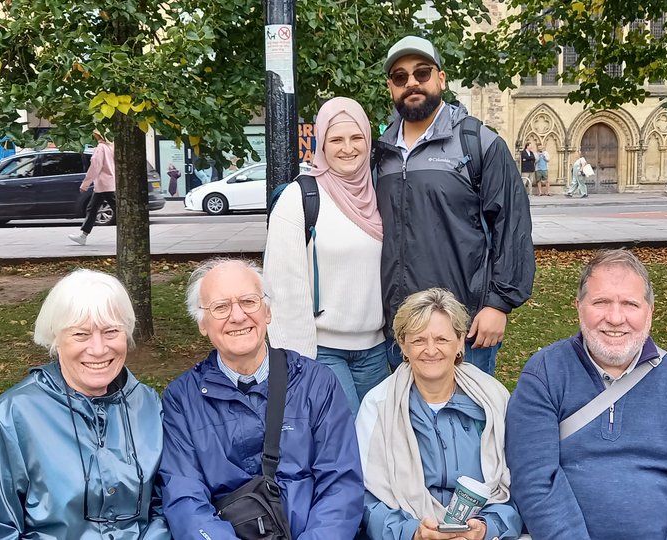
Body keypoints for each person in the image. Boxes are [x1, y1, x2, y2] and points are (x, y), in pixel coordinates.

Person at [505, 249, 667, 540]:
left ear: (649, 312)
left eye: (630, 304)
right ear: (579, 307)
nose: (615, 318)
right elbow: (535, 480)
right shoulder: (544, 374)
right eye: (601, 302)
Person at [0, 269, 169, 539]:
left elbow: (164, 504)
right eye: (81, 334)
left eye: (111, 331)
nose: (99, 348)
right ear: (56, 339)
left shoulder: (148, 404)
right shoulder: (9, 418)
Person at [159, 258, 364, 539]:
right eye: (220, 307)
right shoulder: (182, 400)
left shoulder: (317, 383)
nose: (238, 316)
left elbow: (340, 486)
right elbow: (185, 501)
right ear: (202, 324)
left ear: (267, 311)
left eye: (248, 301)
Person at [374, 35, 535, 377]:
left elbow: (512, 226)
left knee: (465, 412)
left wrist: (498, 304)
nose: (412, 83)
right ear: (390, 87)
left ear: (441, 78)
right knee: (405, 412)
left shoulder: (479, 143)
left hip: (464, 326)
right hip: (400, 328)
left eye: (422, 72)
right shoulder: (381, 153)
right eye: (400, 77)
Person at [356, 288, 523, 540]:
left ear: (460, 341)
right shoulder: (378, 405)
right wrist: (412, 533)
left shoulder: (493, 399)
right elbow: (366, 496)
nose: (431, 350)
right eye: (419, 340)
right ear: (403, 345)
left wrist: (487, 528)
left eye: (442, 339)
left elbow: (519, 483)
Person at [265, 96, 390, 414]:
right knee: (344, 434)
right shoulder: (300, 198)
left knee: (378, 436)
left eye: (356, 137)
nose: (348, 148)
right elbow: (282, 287)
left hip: (376, 350)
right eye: (336, 139)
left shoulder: (381, 195)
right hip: (323, 350)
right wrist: (297, 360)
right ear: (321, 143)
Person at [69, 130, 116, 245]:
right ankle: (83, 236)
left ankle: (83, 236)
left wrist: (85, 184)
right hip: (107, 183)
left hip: (103, 184)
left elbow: (95, 166)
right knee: (92, 208)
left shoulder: (101, 148)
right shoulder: (111, 146)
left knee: (110, 209)